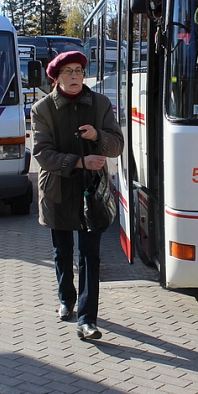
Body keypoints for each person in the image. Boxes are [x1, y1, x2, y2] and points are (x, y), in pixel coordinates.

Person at [31, 50, 124, 341]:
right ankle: (66, 299)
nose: (74, 77)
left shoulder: (100, 104)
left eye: (79, 71)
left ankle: (87, 319)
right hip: (57, 190)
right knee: (62, 252)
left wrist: (98, 136)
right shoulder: (42, 109)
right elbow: (42, 154)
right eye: (68, 72)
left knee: (90, 255)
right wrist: (79, 161)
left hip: (91, 190)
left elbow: (117, 145)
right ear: (56, 78)